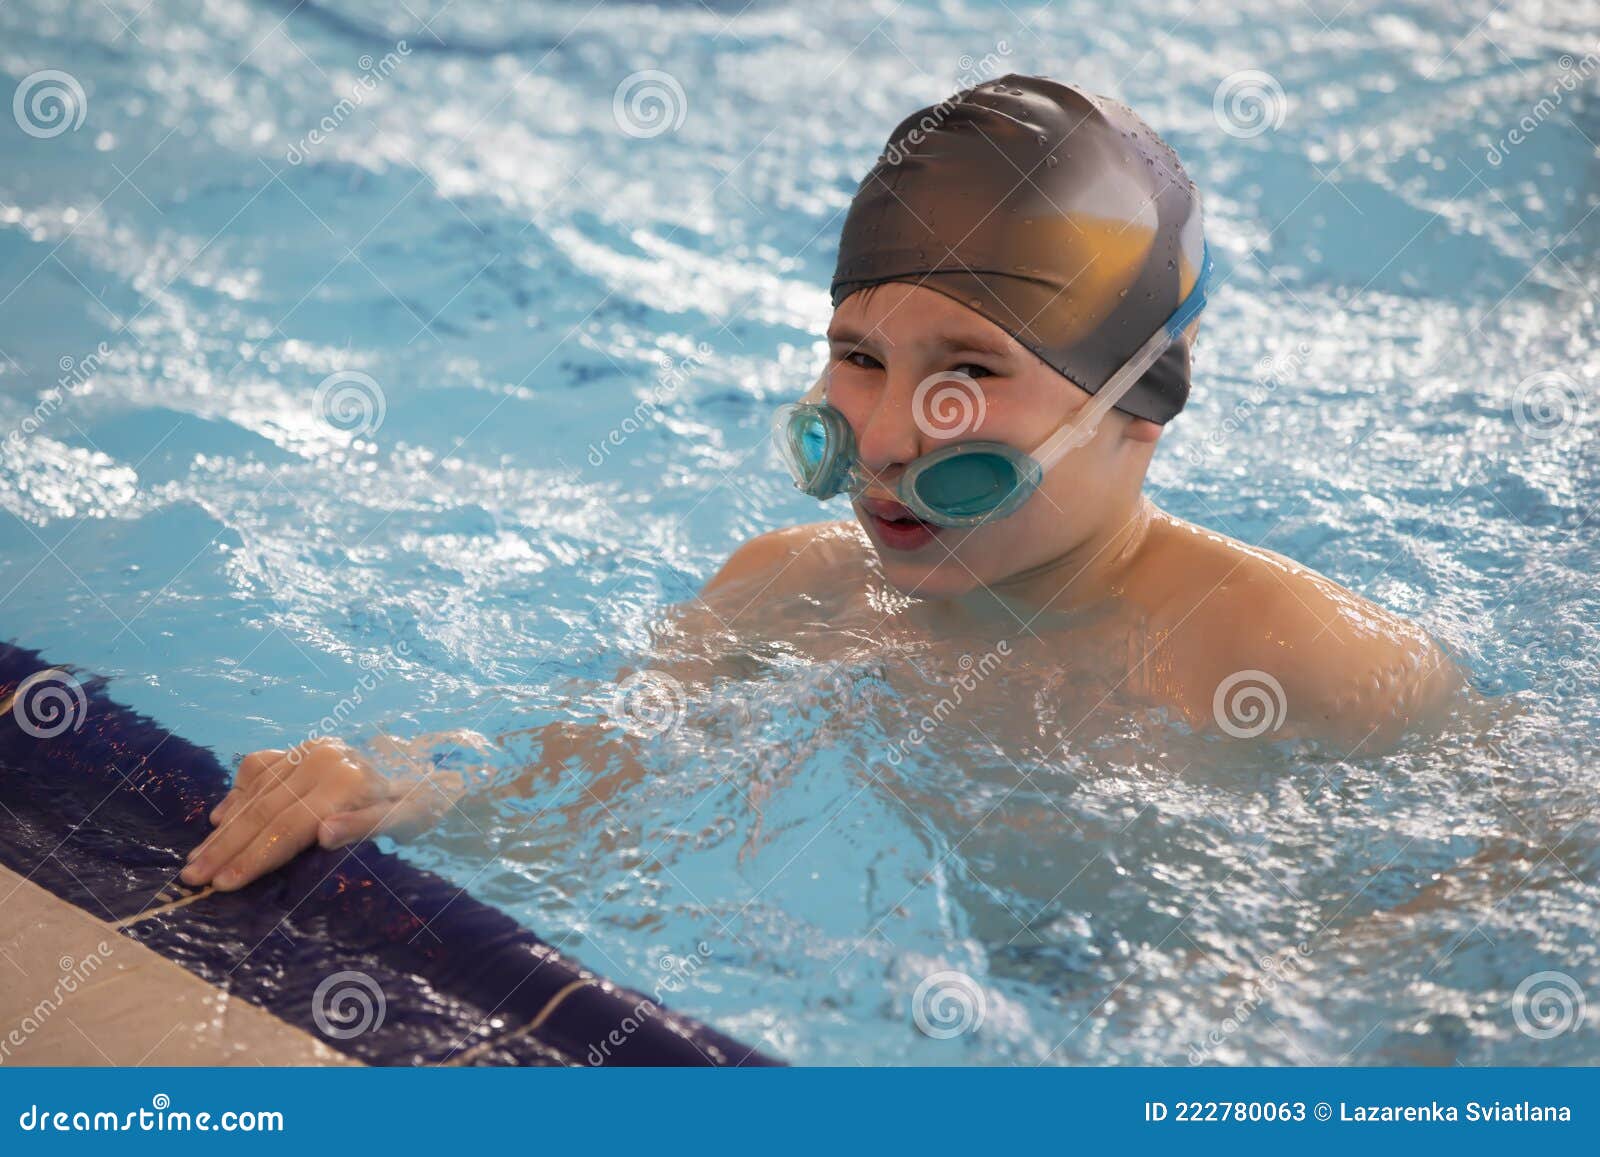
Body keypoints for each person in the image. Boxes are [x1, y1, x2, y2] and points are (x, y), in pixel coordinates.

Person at [182, 75, 1466, 894]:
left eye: (970, 370)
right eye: (858, 356)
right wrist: (380, 796)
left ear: (1141, 406)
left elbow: (1508, 897)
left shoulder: (1306, 655)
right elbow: (567, 813)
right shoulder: (782, 593)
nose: (893, 436)